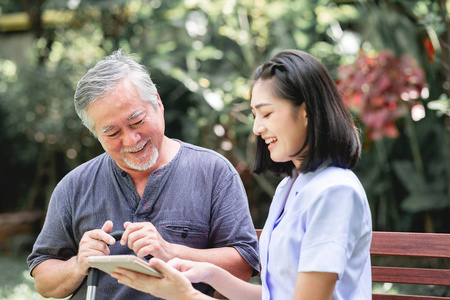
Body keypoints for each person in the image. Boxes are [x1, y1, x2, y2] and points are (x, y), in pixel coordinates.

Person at [110, 49, 373, 300]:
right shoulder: (289, 188)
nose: (257, 128)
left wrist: (186, 295)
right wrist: (211, 274)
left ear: (306, 111)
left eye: (267, 113)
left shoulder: (336, 192)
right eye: (255, 115)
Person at [27, 49, 260, 299]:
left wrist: (170, 251)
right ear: (96, 135)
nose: (131, 139)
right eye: (112, 133)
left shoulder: (213, 172)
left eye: (136, 121)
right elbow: (43, 279)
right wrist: (78, 264)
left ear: (158, 104)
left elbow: (245, 264)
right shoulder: (74, 186)